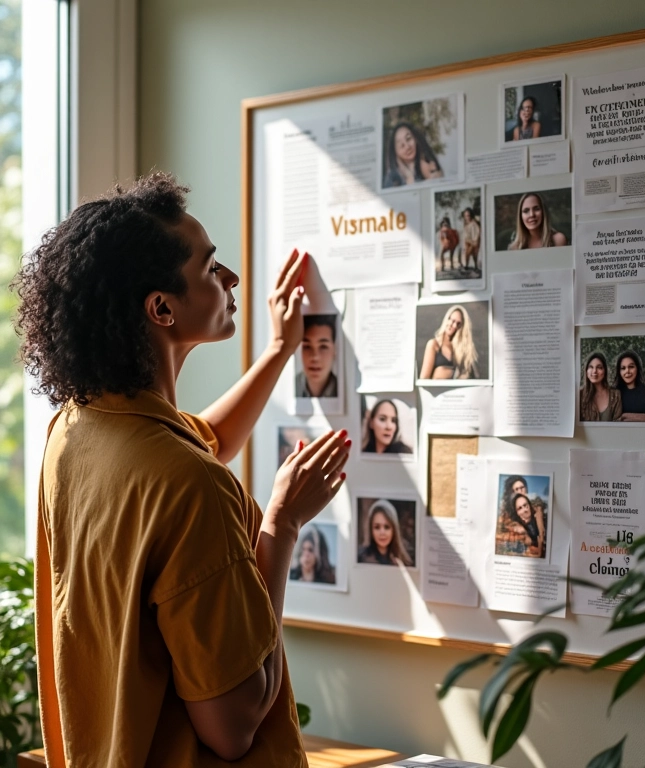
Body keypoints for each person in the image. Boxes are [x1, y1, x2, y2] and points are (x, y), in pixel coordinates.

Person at [13, 172, 351, 766]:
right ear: (162, 307)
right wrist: (282, 524)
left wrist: (278, 351)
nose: (232, 280)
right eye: (211, 266)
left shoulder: (76, 429)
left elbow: (202, 444)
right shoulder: (188, 484)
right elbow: (234, 725)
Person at [419, 305, 479, 380]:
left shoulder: (461, 349)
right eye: (452, 320)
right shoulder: (434, 344)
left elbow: (474, 376)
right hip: (438, 390)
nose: (454, 325)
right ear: (447, 319)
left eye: (458, 324)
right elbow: (424, 378)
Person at [382, 121, 443, 188]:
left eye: (408, 138)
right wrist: (409, 177)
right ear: (395, 151)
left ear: (415, 139)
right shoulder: (391, 178)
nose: (407, 147)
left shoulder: (427, 163)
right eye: (401, 145)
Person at [357, 499, 413, 566]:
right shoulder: (360, 558)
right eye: (377, 527)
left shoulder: (404, 560)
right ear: (371, 529)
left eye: (387, 527)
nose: (382, 532)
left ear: (394, 529)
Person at [295, 314, 338, 398]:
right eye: (307, 347)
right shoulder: (289, 388)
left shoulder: (349, 391)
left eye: (323, 346)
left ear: (334, 350)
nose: (315, 357)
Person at [580, 351, 622, 422]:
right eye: (591, 367)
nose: (594, 371)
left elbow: (618, 423)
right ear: (586, 371)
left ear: (604, 371)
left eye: (599, 367)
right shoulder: (579, 396)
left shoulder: (616, 395)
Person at [614, 350, 645, 422]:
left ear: (637, 368)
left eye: (631, 367)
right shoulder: (614, 394)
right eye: (623, 368)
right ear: (619, 371)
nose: (627, 371)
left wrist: (624, 416)